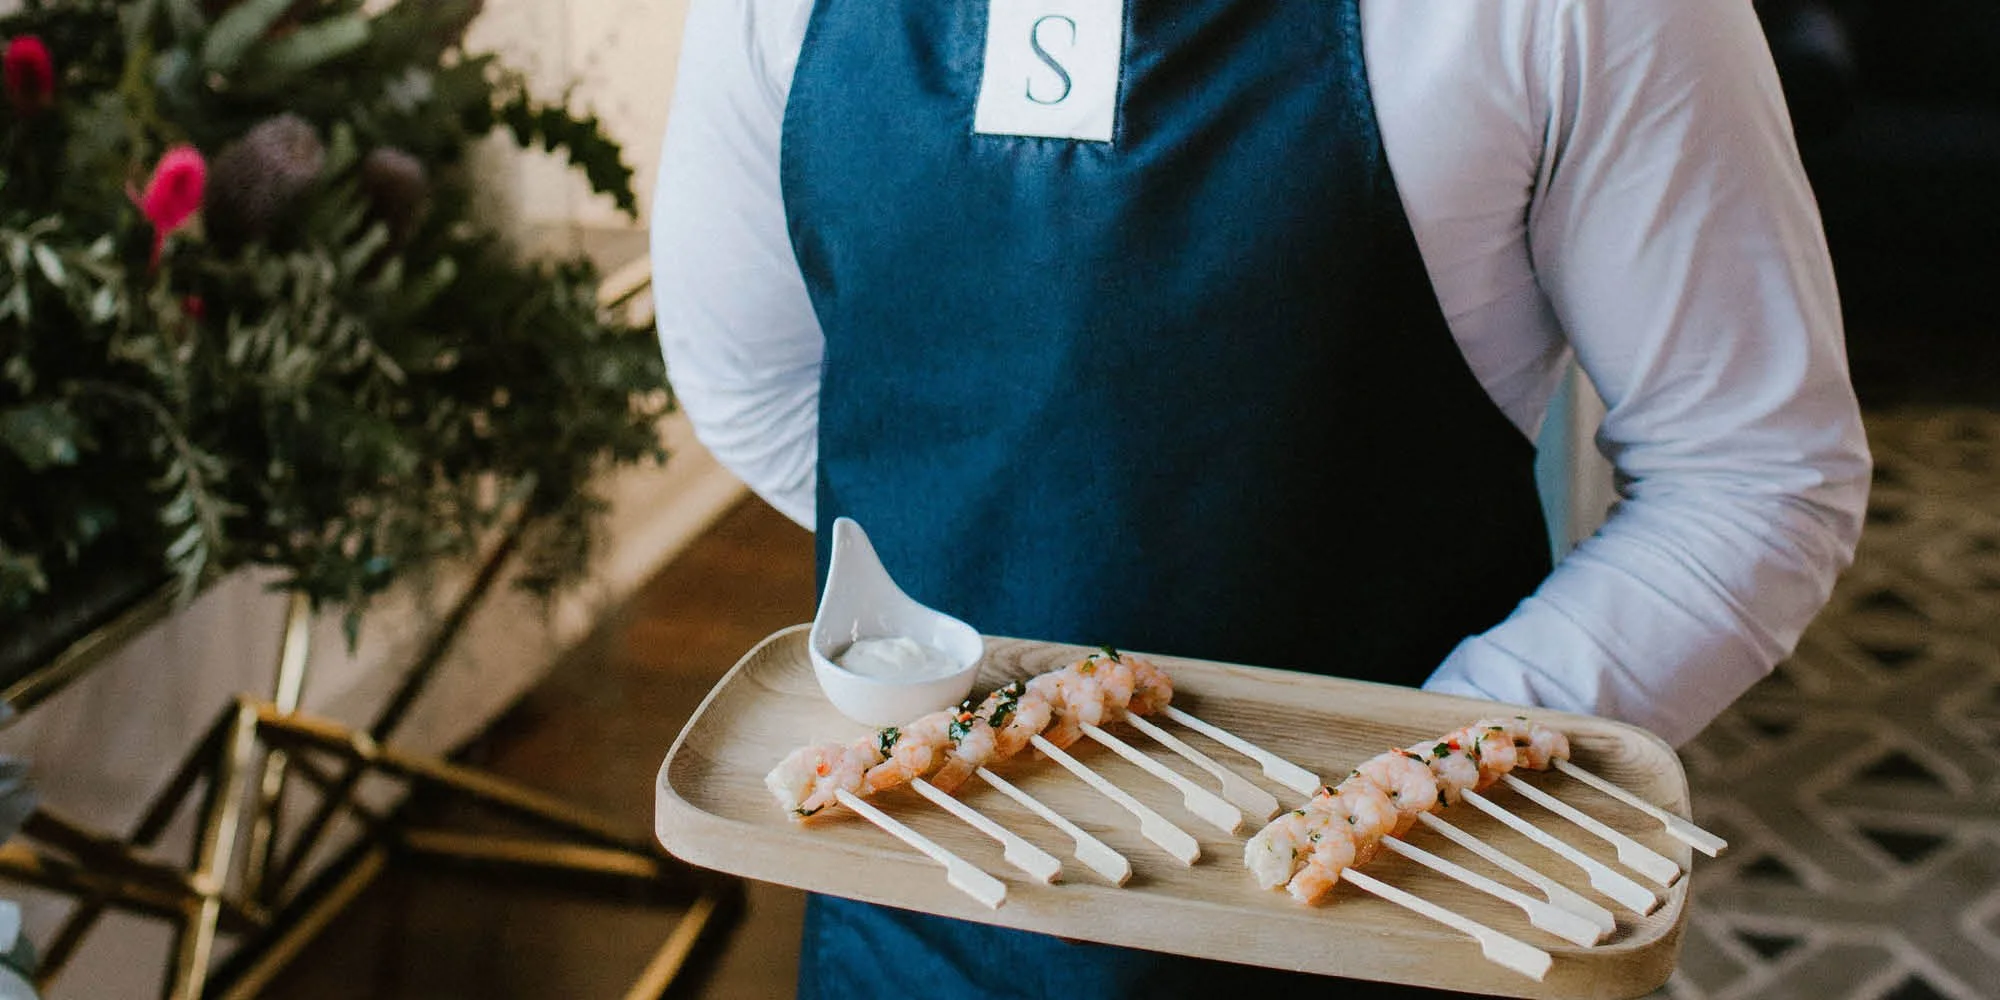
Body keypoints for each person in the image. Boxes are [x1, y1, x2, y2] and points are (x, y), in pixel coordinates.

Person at [649, 0, 1871, 995]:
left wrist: (1407, 786)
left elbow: (1755, 469)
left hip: (1409, 933)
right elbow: (756, 386)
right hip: (918, 911)